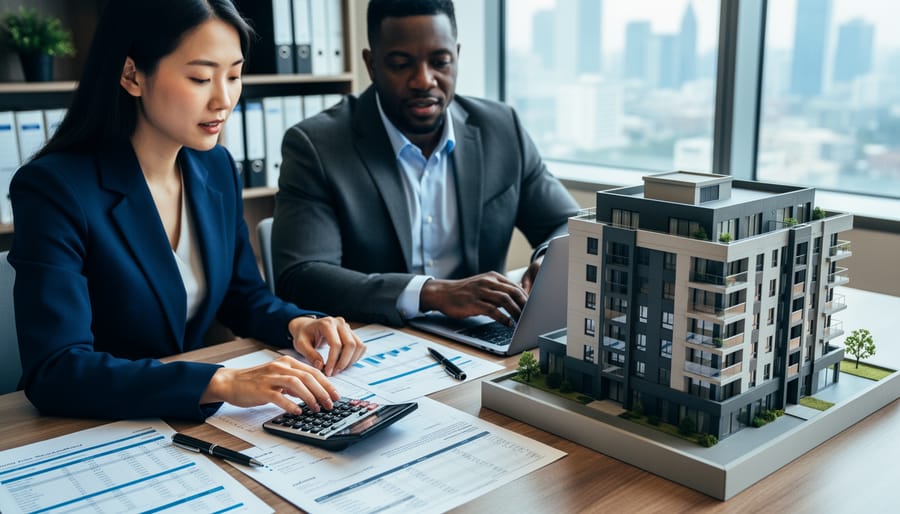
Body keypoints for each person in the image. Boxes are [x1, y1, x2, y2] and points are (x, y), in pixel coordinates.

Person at [8, 0, 366, 421]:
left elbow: (242, 295)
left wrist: (297, 324)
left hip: (185, 426)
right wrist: (220, 382)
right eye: (200, 78)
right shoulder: (54, 189)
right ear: (131, 75)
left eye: (233, 75)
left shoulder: (215, 168)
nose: (224, 99)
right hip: (93, 425)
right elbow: (56, 370)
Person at [272, 0, 580, 328]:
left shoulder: (501, 130)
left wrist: (548, 259)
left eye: (440, 62)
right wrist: (429, 293)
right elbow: (300, 277)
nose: (423, 80)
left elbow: (570, 225)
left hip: (479, 340)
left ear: (456, 57)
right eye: (401, 64)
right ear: (372, 64)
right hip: (369, 344)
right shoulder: (317, 147)